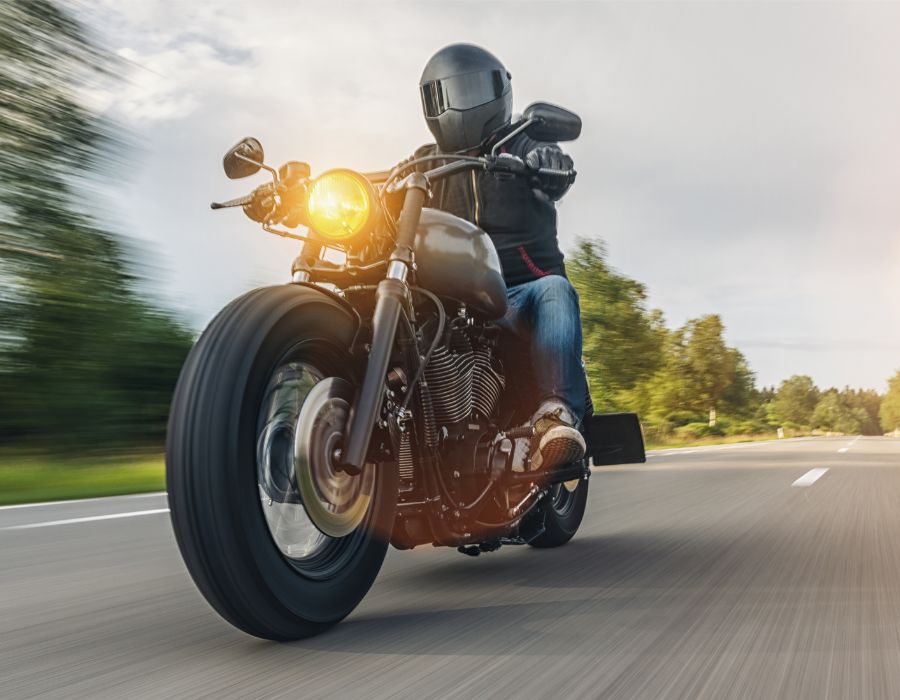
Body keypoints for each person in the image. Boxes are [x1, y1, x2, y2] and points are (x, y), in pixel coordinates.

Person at [411, 43, 588, 471]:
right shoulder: (424, 162)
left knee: (555, 289)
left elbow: (559, 169)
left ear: (498, 93)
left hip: (519, 292)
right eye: (449, 93)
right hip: (453, 297)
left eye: (472, 90)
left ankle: (554, 416)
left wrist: (545, 164)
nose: (460, 103)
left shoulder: (523, 144)